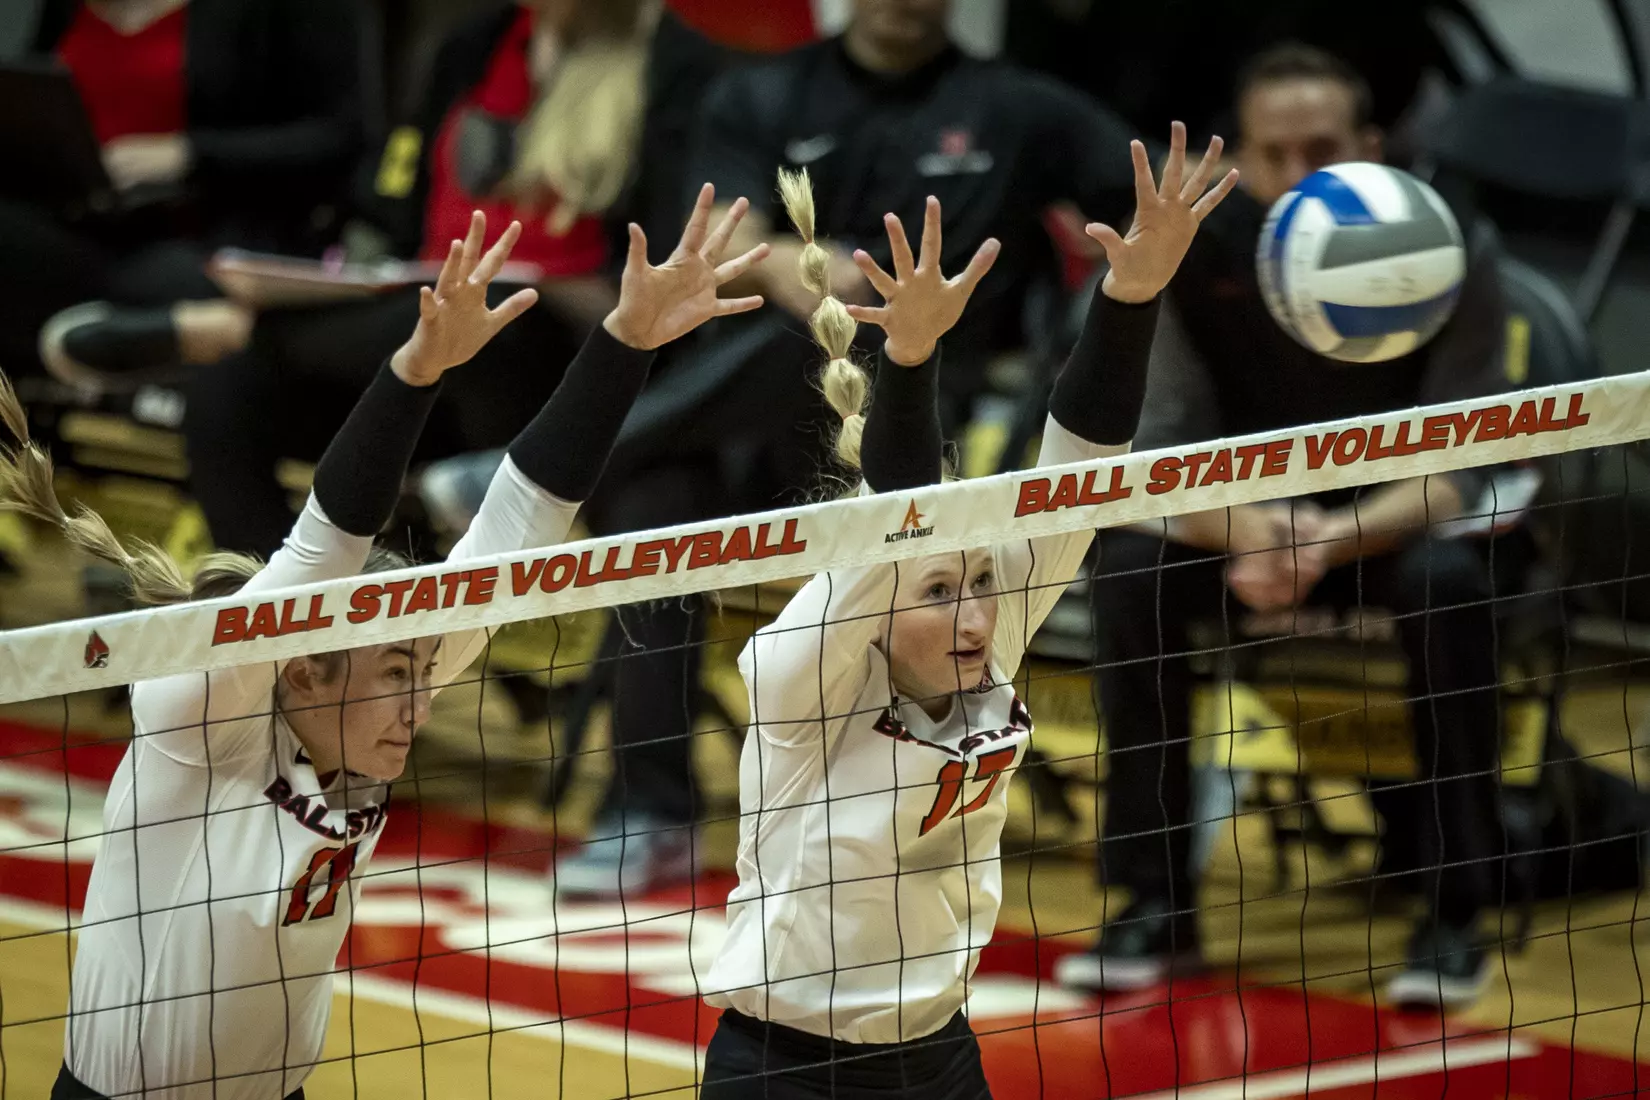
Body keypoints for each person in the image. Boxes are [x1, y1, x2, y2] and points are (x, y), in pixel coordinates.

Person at [0, 189, 768, 1100]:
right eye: (398, 673)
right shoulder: (198, 724)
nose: (423, 699)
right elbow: (321, 545)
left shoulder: (369, 698)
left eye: (419, 671)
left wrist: (625, 343)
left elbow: (519, 527)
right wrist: (414, 370)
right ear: (306, 661)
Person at [551, 0, 1142, 899]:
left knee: (847, 335)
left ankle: (568, 461)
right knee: (656, 505)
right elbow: (729, 244)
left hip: (917, 432)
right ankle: (649, 809)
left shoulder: (1021, 108)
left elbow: (1148, 209)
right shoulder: (762, 93)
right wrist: (815, 273)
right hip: (750, 424)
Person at [699, 126, 1237, 1097]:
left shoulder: (988, 647)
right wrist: (910, 358)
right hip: (785, 1072)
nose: (977, 615)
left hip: (941, 1058)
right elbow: (894, 532)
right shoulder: (802, 678)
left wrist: (1130, 298)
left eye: (981, 583)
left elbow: (1081, 471)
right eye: (939, 592)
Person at [1052, 44, 1512, 1009]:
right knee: (1129, 572)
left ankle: (1455, 910)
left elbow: (1462, 469)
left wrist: (1327, 542)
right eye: (1274, 155)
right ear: (1239, 165)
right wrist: (1252, 530)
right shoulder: (1193, 250)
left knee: (1453, 587)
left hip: (1393, 531)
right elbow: (1151, 458)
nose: (1299, 177)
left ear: (1374, 149)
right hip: (1246, 526)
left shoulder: (1444, 241)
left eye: (1324, 149)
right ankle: (1151, 902)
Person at [180, 0, 730, 557]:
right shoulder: (477, 42)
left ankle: (243, 328)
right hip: (423, 344)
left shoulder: (679, 66)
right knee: (225, 387)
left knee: (499, 312)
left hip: (553, 364)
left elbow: (663, 273)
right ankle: (282, 618)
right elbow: (393, 207)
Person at [7, 0, 363, 385]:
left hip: (203, 235)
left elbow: (339, 137)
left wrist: (189, 152)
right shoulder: (63, 9)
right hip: (78, 217)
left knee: (174, 287)